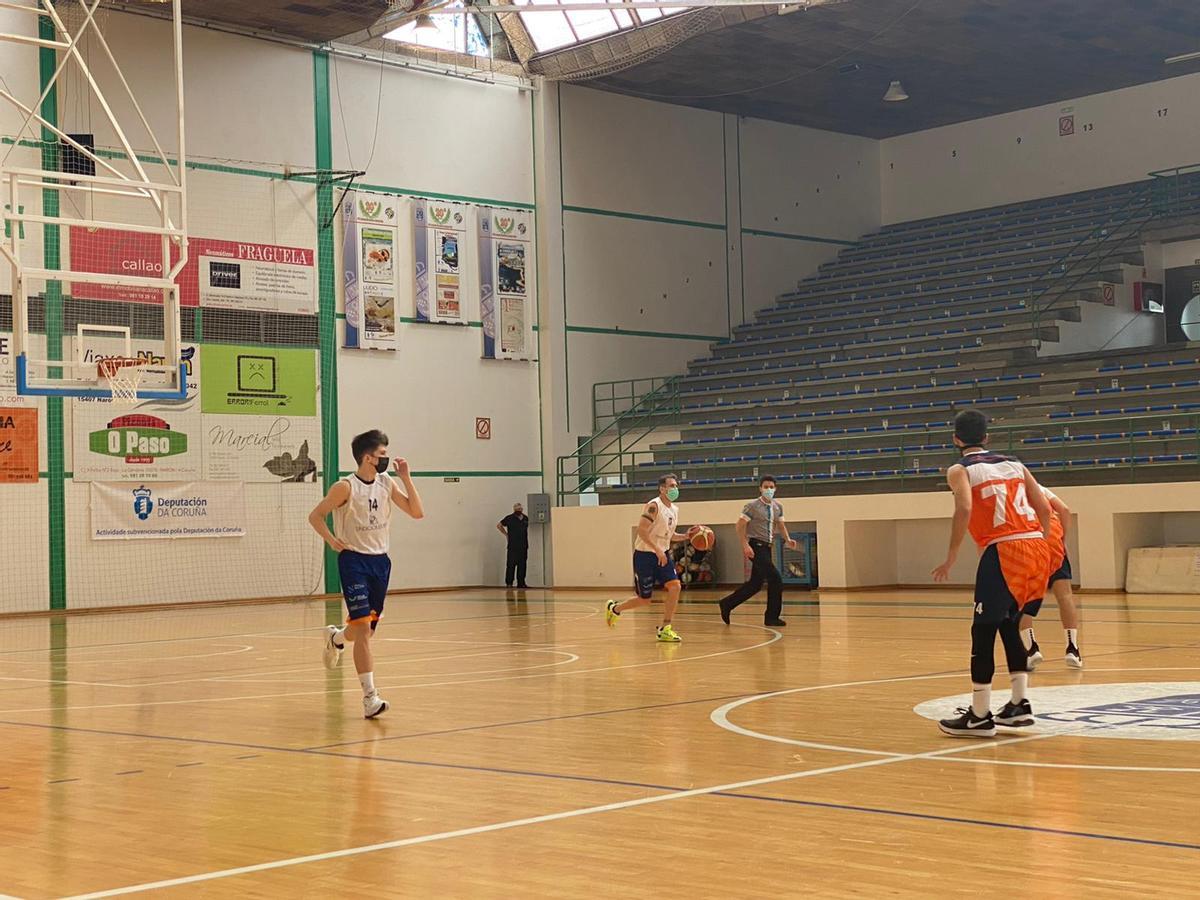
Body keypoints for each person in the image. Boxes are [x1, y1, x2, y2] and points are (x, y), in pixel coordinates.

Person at [932, 409, 1053, 738]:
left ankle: (979, 715)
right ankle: (1018, 705)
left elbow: (965, 508)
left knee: (982, 630)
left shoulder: (959, 469)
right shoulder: (1016, 463)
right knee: (1009, 624)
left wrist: (952, 554)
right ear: (986, 437)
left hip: (1005, 549)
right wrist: (1038, 542)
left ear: (956, 439)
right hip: (1037, 545)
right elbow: (1044, 508)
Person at [308, 429, 425, 719]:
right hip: (353, 561)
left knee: (365, 630)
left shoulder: (386, 483)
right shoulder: (345, 487)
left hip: (380, 563)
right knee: (362, 631)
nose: (387, 458)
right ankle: (370, 698)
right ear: (368, 457)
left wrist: (406, 478)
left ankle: (336, 639)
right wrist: (331, 539)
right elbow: (316, 515)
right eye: (383, 454)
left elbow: (416, 512)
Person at [604, 473, 696, 643]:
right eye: (671, 486)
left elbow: (667, 535)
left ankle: (665, 628)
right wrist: (657, 550)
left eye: (676, 486)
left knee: (675, 586)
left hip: (663, 554)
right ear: (662, 489)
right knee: (644, 599)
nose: (675, 489)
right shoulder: (654, 506)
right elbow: (642, 530)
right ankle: (615, 608)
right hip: (645, 555)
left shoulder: (674, 509)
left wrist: (684, 536)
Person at [718, 475, 796, 627]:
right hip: (756, 546)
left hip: (767, 547)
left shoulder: (778, 506)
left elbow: (781, 525)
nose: (768, 489)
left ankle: (727, 604)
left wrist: (787, 539)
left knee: (755, 584)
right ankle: (772, 617)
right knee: (775, 579)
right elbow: (739, 525)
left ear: (775, 488)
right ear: (760, 488)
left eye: (771, 487)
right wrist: (745, 545)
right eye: (765, 487)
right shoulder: (752, 506)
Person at [1021, 486, 1083, 668]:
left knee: (1023, 600)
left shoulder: (1005, 490)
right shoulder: (1037, 488)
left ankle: (1032, 650)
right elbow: (1064, 509)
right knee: (1065, 596)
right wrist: (1062, 541)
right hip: (1053, 540)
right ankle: (1072, 648)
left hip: (1028, 544)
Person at [497, 502, 530, 588]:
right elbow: (499, 525)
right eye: (517, 509)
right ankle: (509, 583)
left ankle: (521, 583)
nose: (518, 510)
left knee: (522, 565)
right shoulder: (509, 518)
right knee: (511, 565)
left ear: (522, 509)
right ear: (514, 510)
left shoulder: (525, 518)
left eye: (520, 509)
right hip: (513, 546)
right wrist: (506, 534)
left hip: (523, 545)